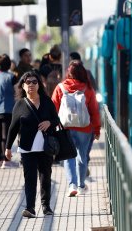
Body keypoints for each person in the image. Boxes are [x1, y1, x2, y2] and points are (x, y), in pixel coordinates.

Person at [5, 71, 60, 218]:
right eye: (27, 82)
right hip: (27, 149)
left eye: (34, 82)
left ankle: (46, 206)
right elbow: (13, 127)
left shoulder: (47, 101)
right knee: (29, 179)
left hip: (45, 148)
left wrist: (49, 122)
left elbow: (56, 120)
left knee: (45, 177)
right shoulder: (20, 105)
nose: (31, 84)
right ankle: (30, 208)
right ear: (22, 86)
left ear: (39, 85)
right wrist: (8, 147)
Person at [51, 60, 101, 197]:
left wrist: (53, 126)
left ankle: (71, 185)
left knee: (68, 157)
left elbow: (53, 107)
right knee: (82, 156)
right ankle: (81, 185)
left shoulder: (60, 87)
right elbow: (94, 111)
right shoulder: (88, 89)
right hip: (84, 128)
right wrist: (97, 130)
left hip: (65, 127)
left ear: (69, 73)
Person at [69, 51, 99, 176]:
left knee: (72, 150)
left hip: (69, 121)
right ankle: (83, 168)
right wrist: (97, 128)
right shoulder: (88, 77)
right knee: (84, 149)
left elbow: (56, 103)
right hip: (87, 122)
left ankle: (74, 180)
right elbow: (94, 107)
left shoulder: (65, 80)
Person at [0, 54, 17, 169]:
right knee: (6, 136)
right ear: (9, 64)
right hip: (7, 109)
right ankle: (7, 161)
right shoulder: (11, 77)